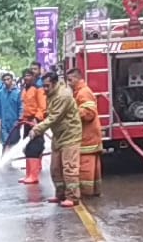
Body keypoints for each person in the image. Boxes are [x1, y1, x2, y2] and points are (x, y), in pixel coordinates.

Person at [30, 72, 83, 207]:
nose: (45, 89)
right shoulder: (51, 94)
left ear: (54, 83)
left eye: (47, 86)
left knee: (69, 167)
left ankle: (73, 197)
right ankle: (60, 194)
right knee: (55, 167)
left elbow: (54, 117)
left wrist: (37, 129)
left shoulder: (63, 96)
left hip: (70, 134)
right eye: (44, 86)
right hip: (58, 134)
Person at [66, 68, 103, 197]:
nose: (68, 83)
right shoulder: (79, 92)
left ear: (77, 79)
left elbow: (89, 113)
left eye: (70, 80)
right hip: (89, 137)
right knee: (93, 169)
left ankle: (86, 193)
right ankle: (93, 191)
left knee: (85, 169)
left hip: (87, 138)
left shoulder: (83, 93)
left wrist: (71, 113)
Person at [19, 68, 47, 184]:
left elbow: (43, 107)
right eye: (25, 76)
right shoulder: (24, 90)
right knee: (27, 148)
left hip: (36, 122)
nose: (27, 78)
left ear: (34, 77)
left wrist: (37, 118)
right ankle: (28, 174)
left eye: (29, 75)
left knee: (35, 147)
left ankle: (34, 175)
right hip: (26, 122)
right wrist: (21, 119)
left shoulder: (38, 90)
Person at [0, 72, 23, 154]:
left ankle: (8, 162)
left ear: (12, 80)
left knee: (13, 142)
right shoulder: (0, 93)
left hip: (15, 121)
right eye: (4, 80)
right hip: (4, 122)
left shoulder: (18, 93)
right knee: (5, 142)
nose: (6, 81)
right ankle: (4, 162)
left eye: (8, 79)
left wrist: (20, 119)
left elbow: (21, 106)